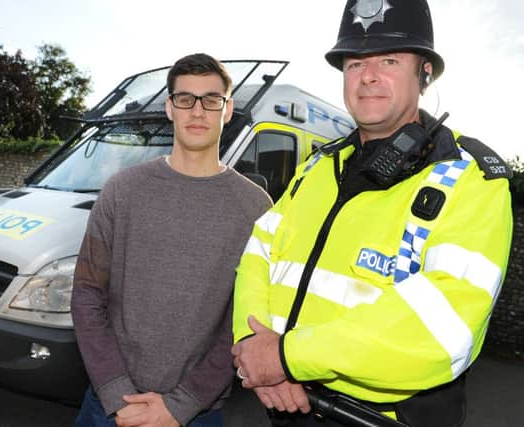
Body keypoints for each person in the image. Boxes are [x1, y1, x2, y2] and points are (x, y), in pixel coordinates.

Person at [230, 1, 513, 426]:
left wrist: (286, 358)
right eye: (355, 63)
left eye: (390, 60)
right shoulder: (316, 166)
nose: (369, 77)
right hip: (287, 405)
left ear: (425, 73)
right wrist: (255, 342)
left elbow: (443, 326)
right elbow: (258, 252)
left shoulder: (468, 178)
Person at [71, 53, 272, 427]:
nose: (198, 111)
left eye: (212, 100)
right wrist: (117, 395)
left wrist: (181, 405)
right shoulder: (121, 190)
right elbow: (86, 295)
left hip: (199, 413)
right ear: (169, 108)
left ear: (227, 111)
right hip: (108, 405)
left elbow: (243, 321)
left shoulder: (256, 207)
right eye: (185, 99)